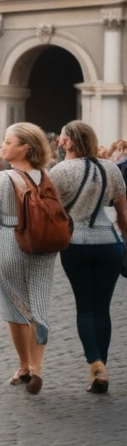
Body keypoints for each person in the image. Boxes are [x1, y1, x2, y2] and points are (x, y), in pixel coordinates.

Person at [0, 124, 57, 394]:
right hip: (44, 245)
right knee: (39, 305)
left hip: (10, 242)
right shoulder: (47, 177)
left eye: (9, 142)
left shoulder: (1, 179)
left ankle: (23, 366)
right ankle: (37, 368)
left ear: (25, 148)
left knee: (14, 307)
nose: (3, 146)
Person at [50, 121, 127, 394]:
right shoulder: (111, 168)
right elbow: (123, 216)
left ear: (69, 142)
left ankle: (96, 365)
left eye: (62, 138)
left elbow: (54, 214)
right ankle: (101, 368)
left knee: (85, 306)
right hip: (110, 242)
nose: (59, 142)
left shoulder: (59, 171)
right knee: (102, 308)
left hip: (77, 242)